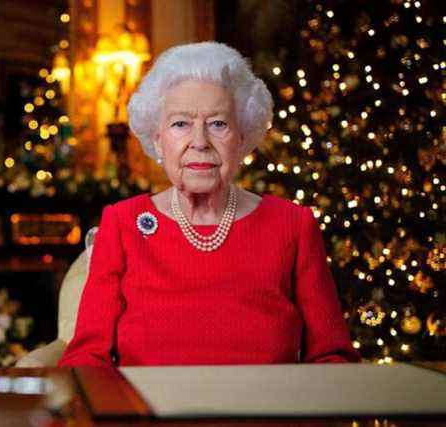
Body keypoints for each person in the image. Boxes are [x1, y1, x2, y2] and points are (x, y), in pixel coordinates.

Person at [59, 42, 360, 367]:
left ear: (242, 137)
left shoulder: (292, 225)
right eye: (180, 124)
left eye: (218, 124)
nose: (200, 142)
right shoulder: (122, 223)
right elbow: (87, 358)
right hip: (149, 415)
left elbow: (333, 357)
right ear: (158, 138)